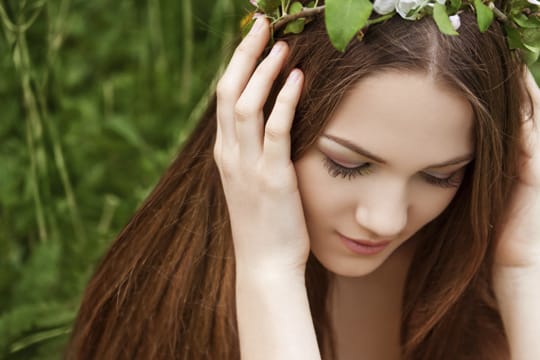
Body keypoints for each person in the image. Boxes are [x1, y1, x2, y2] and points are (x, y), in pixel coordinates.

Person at [65, 0, 540, 358]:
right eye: (347, 165)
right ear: (257, 116)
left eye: (440, 175)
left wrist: (525, 270)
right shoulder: (165, 300)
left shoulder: (478, 299)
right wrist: (269, 273)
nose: (385, 219)